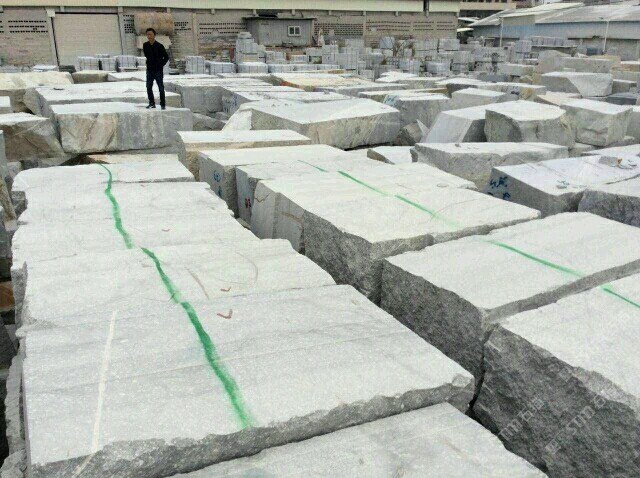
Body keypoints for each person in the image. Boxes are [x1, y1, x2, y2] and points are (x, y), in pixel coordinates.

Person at [143, 27, 169, 109]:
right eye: (147, 34)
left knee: (161, 88)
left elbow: (166, 57)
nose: (149, 36)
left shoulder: (159, 46)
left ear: (154, 35)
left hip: (158, 70)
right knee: (148, 87)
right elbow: (147, 55)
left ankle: (163, 104)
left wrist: (161, 64)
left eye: (150, 34)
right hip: (150, 70)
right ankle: (152, 103)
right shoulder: (145, 45)